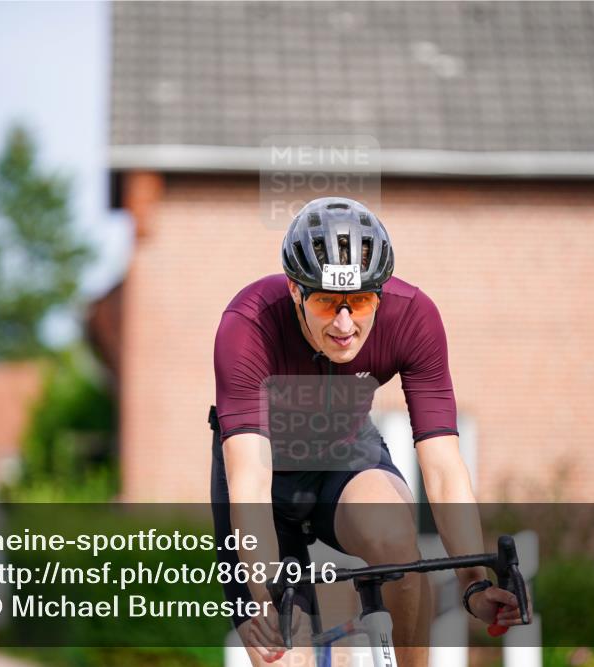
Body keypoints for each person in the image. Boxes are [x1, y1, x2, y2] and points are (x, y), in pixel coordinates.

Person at [210, 197, 526, 667]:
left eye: (358, 302)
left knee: (394, 538)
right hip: (264, 480)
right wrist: (263, 598)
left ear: (379, 293)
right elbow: (251, 483)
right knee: (283, 655)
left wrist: (474, 581)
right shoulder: (248, 325)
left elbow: (441, 466)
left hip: (345, 458)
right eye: (324, 302)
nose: (344, 324)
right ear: (296, 292)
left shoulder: (413, 317)